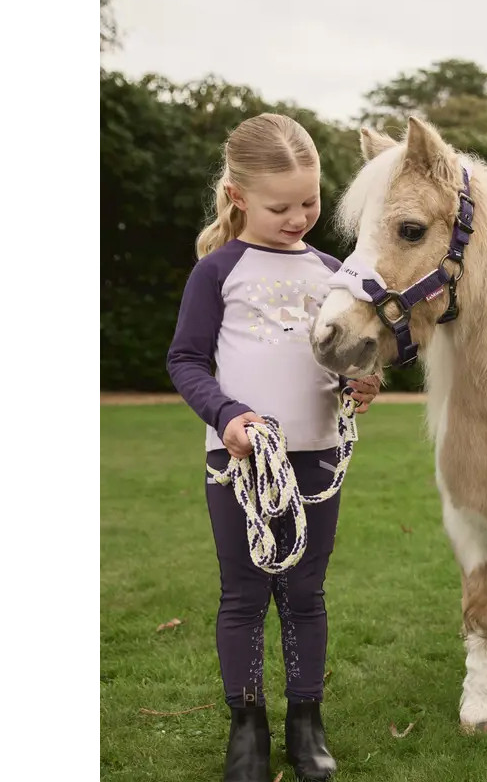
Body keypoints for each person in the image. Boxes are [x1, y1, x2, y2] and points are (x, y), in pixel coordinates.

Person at [166, 113, 380, 781]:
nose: (298, 217)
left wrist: (360, 381)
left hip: (315, 461)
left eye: (310, 203)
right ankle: (247, 726)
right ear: (238, 198)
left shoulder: (333, 272)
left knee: (305, 595)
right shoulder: (219, 270)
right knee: (244, 595)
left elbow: (346, 354)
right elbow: (186, 360)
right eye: (279, 206)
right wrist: (227, 416)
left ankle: (306, 722)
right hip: (239, 464)